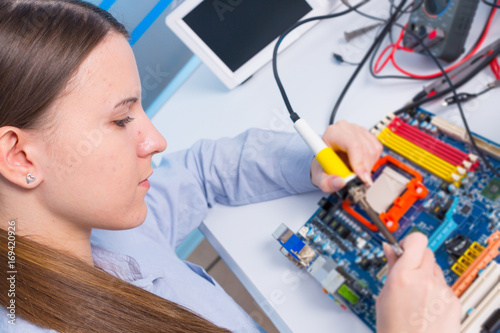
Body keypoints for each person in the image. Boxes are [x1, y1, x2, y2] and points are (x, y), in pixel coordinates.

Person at [0, 1, 460, 332]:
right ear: (21, 157)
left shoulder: (97, 223)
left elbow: (202, 171)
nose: (156, 141)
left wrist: (313, 160)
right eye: (121, 119)